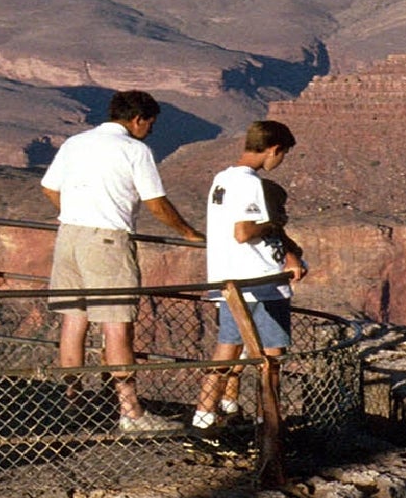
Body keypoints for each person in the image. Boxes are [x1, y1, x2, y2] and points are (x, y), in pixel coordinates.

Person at [40, 90, 202, 433]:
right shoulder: (135, 150)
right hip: (107, 241)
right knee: (117, 325)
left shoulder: (75, 142)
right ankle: (130, 412)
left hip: (69, 235)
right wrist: (188, 232)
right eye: (150, 124)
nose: (150, 132)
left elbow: (49, 188)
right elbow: (156, 204)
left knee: (74, 320)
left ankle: (72, 402)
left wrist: (75, 211)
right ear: (138, 119)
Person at [192, 120, 308, 431]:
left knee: (226, 351)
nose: (279, 162)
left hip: (231, 280)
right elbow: (244, 232)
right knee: (270, 359)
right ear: (274, 150)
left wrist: (288, 249)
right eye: (281, 155)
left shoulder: (222, 178)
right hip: (259, 283)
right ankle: (267, 421)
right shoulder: (249, 183)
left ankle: (203, 418)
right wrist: (271, 224)